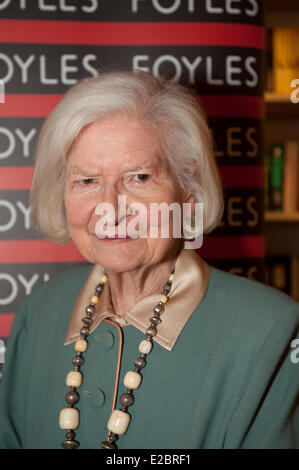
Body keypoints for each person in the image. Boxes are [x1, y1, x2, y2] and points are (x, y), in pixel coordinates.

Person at [0, 71, 298, 450]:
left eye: (139, 177)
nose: (109, 208)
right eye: (87, 181)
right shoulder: (39, 313)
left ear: (189, 194)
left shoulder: (269, 330)